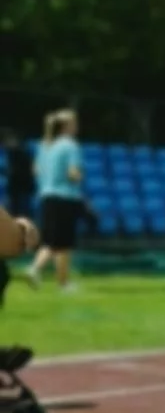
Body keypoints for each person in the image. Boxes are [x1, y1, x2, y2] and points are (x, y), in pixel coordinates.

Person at [29, 109, 84, 290]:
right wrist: (79, 176)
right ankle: (63, 283)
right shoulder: (70, 145)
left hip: (46, 195)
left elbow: (36, 170)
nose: (77, 126)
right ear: (66, 126)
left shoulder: (45, 146)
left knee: (50, 241)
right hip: (65, 197)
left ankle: (35, 270)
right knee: (64, 244)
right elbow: (73, 173)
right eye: (74, 123)